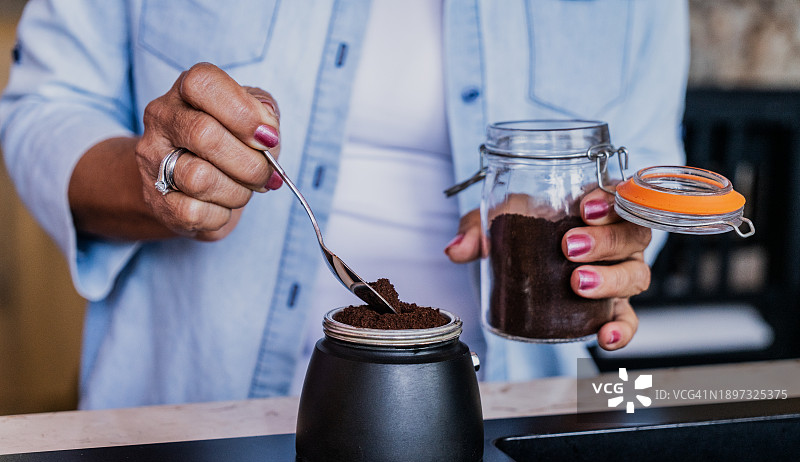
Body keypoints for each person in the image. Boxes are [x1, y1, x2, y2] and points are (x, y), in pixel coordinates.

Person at [0, 0, 688, 409]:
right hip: (191, 422)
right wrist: (157, 184)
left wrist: (608, 236)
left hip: (517, 424)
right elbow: (42, 111)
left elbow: (649, 160)